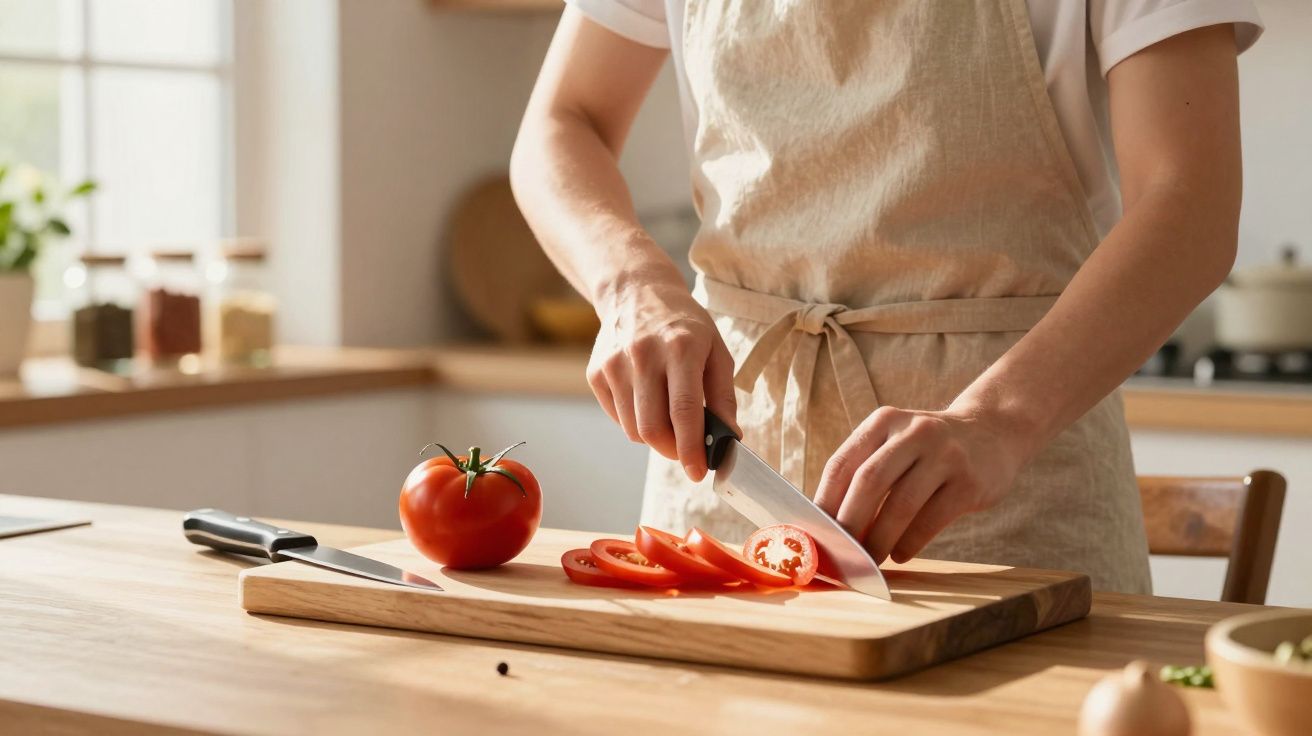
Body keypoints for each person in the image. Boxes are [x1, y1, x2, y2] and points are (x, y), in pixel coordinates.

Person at [510, 0, 1263, 592]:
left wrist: (994, 421)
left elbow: (1189, 204)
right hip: (730, 463)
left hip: (1011, 495)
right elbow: (560, 121)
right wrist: (631, 284)